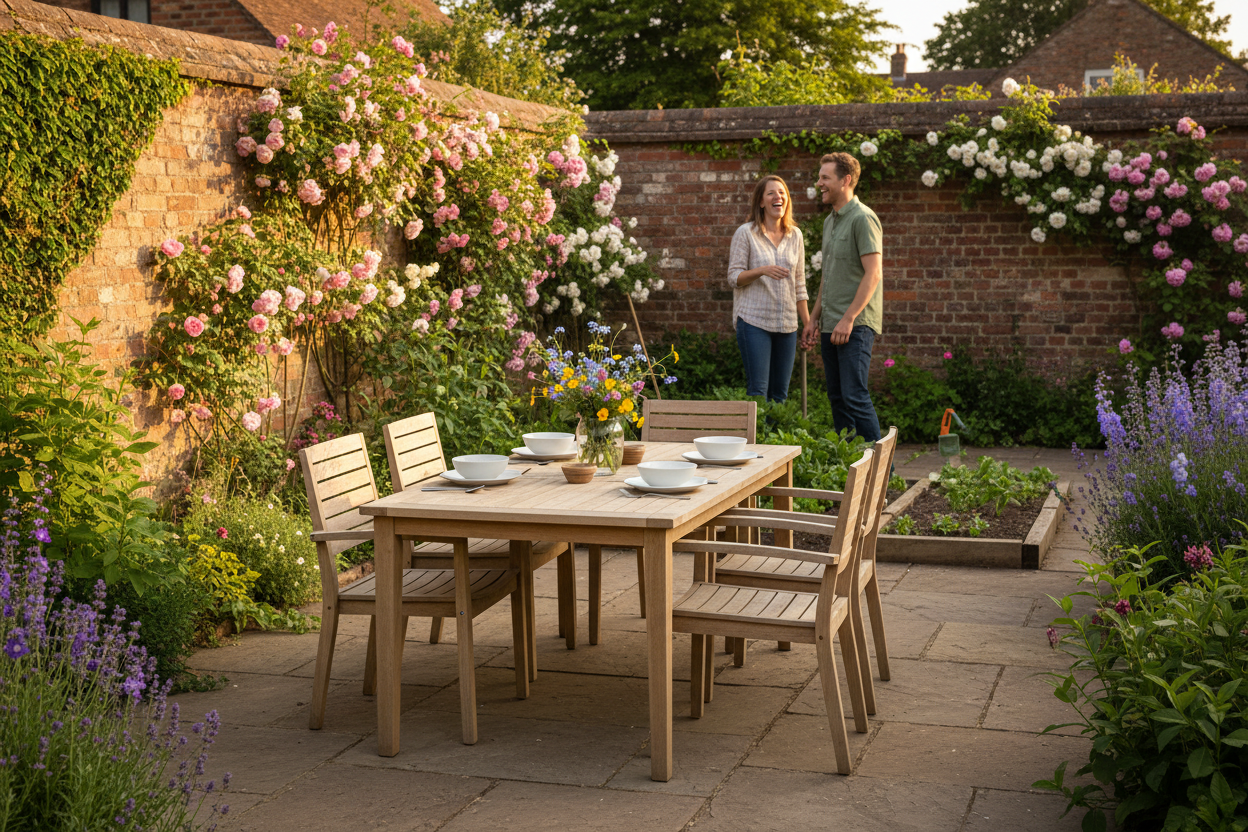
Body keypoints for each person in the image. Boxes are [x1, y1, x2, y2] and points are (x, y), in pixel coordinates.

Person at [801, 152, 883, 442]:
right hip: (830, 323)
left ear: (845, 180)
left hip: (855, 324)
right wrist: (813, 318)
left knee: (854, 395)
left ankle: (885, 472)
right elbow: (829, 276)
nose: (819, 182)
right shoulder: (829, 222)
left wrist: (848, 319)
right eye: (820, 177)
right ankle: (849, 466)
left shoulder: (863, 218)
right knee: (838, 398)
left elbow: (873, 273)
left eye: (825, 177)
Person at [726, 175, 809, 403]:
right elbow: (734, 277)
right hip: (754, 322)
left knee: (780, 395)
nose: (778, 197)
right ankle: (756, 438)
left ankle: (773, 440)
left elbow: (799, 285)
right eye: (771, 193)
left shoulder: (795, 236)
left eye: (782, 193)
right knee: (758, 393)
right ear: (761, 202)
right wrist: (762, 270)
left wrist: (808, 324)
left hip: (787, 325)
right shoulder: (746, 233)